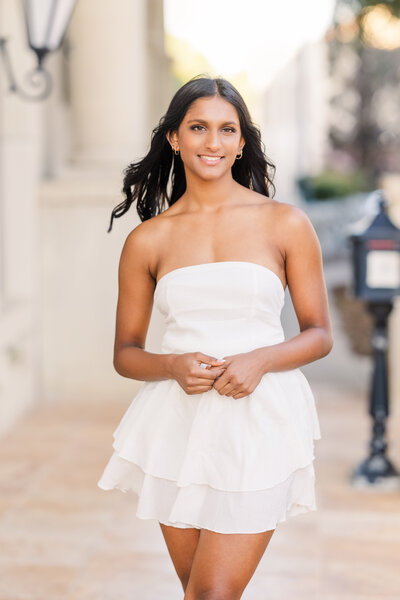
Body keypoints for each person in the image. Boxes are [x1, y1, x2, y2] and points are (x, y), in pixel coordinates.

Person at [98, 75, 333, 599]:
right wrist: (171, 365)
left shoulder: (285, 223)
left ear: (242, 141)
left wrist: (261, 360)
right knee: (197, 591)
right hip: (176, 422)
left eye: (227, 130)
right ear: (174, 138)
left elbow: (319, 334)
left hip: (260, 418)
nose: (213, 142)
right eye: (198, 127)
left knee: (213, 592)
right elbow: (125, 353)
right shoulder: (148, 239)